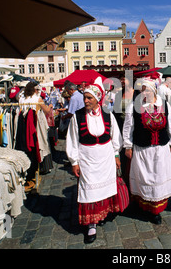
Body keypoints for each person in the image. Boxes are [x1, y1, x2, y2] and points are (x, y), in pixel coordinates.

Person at [66, 77, 123, 244]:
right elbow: (72, 140)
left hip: (105, 158)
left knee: (105, 188)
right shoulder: (77, 117)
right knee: (89, 191)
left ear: (98, 99)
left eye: (89, 98)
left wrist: (116, 155)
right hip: (87, 159)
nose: (85, 100)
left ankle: (103, 214)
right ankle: (91, 224)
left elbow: (115, 136)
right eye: (85, 97)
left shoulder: (108, 115)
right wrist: (74, 161)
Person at [122, 78, 171, 224]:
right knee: (144, 177)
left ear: (154, 91)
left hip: (160, 149)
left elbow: (170, 125)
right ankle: (143, 205)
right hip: (143, 150)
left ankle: (156, 211)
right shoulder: (134, 106)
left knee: (158, 177)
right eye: (142, 90)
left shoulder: (164, 105)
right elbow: (128, 128)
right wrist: (127, 146)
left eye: (147, 89)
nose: (144, 92)